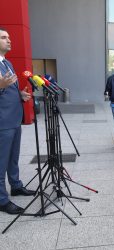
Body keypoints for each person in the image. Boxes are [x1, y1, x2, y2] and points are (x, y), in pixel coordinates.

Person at [0, 27, 35, 215]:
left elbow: (8, 89)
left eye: (9, 37)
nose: (9, 40)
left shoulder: (7, 63)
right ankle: (2, 200)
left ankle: (16, 185)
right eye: (4, 37)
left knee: (13, 157)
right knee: (1, 161)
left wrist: (20, 94)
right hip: (2, 122)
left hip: (14, 119)